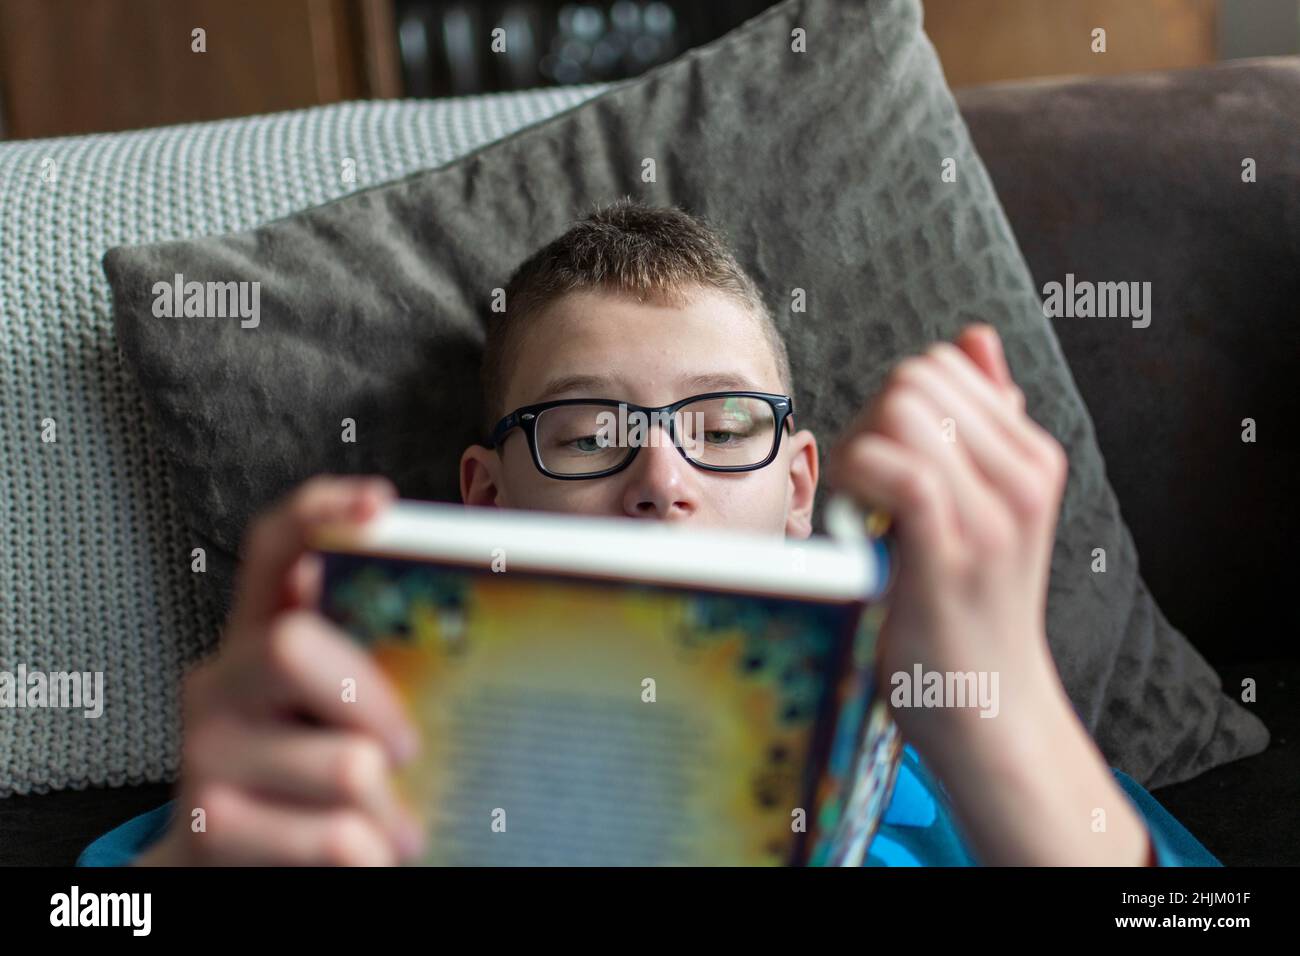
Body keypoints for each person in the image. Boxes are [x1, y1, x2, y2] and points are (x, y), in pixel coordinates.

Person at [79, 199, 1219, 866]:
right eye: (583, 431)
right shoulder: (329, 778)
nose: (661, 478)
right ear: (485, 496)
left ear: (796, 485)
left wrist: (1008, 717)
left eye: (725, 424)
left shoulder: (1005, 771)